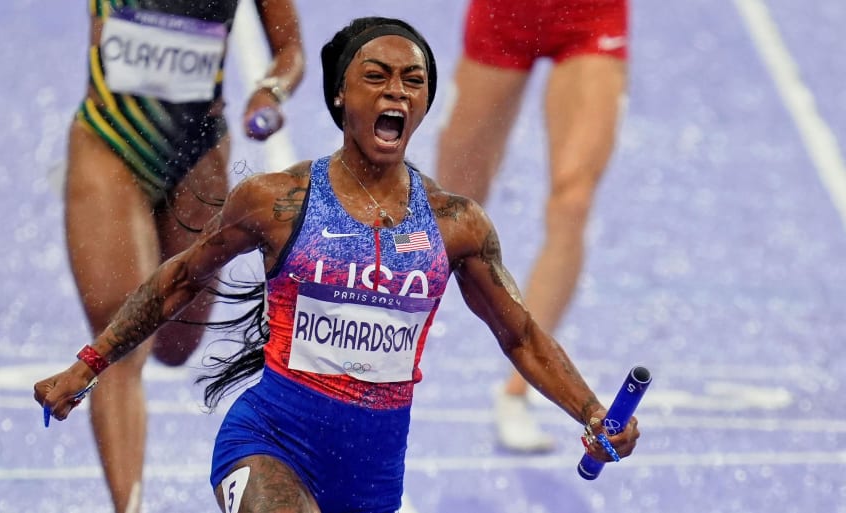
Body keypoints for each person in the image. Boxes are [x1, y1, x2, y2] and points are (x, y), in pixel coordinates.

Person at [36, 16, 639, 513]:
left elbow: (523, 336)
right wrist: (90, 364)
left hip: (371, 484)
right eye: (375, 77)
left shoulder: (457, 225)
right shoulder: (277, 202)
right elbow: (180, 279)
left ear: (425, 100)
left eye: (412, 80)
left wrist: (591, 413)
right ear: (338, 96)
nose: (395, 92)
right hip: (266, 444)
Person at [62, 1, 304, 512]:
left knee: (175, 344)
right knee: (121, 342)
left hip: (198, 153)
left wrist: (271, 92)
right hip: (111, 142)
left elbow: (290, 50)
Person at [435, 0, 629, 452]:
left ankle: (518, 391)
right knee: (448, 209)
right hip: (505, 13)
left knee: (573, 201)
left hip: (590, 16)